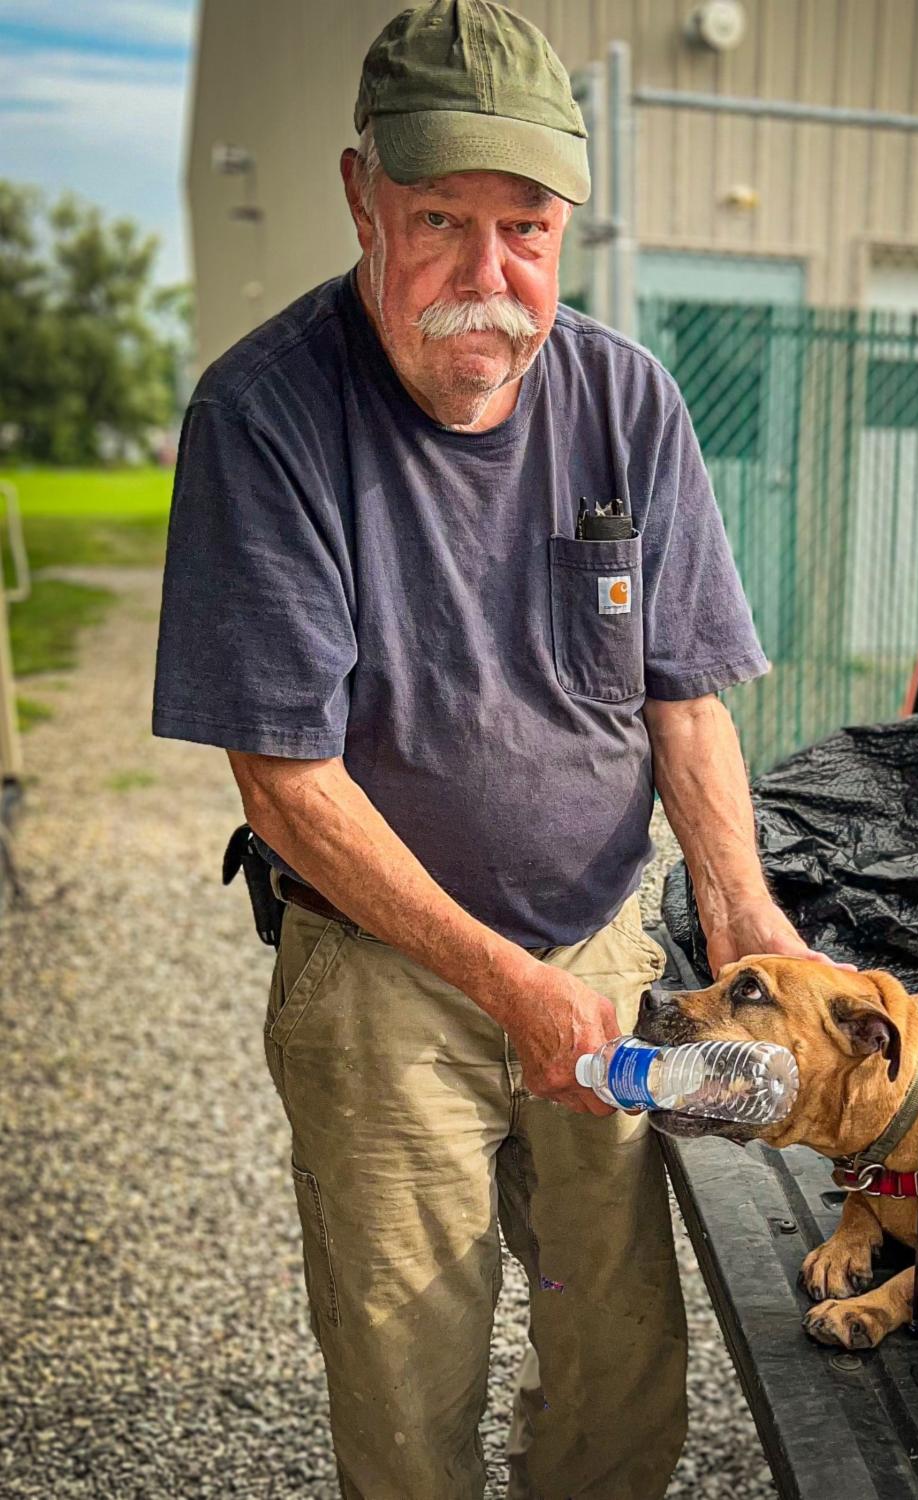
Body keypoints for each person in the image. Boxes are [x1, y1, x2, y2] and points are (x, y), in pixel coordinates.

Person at [153, 2, 831, 1495]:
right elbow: (285, 780)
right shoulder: (265, 418)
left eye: (525, 228)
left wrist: (752, 931)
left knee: (623, 1376)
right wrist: (506, 988)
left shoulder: (627, 400)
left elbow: (686, 699)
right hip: (382, 987)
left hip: (593, 956)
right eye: (440, 222)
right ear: (360, 200)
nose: (488, 278)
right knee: (411, 1400)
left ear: (567, 224)